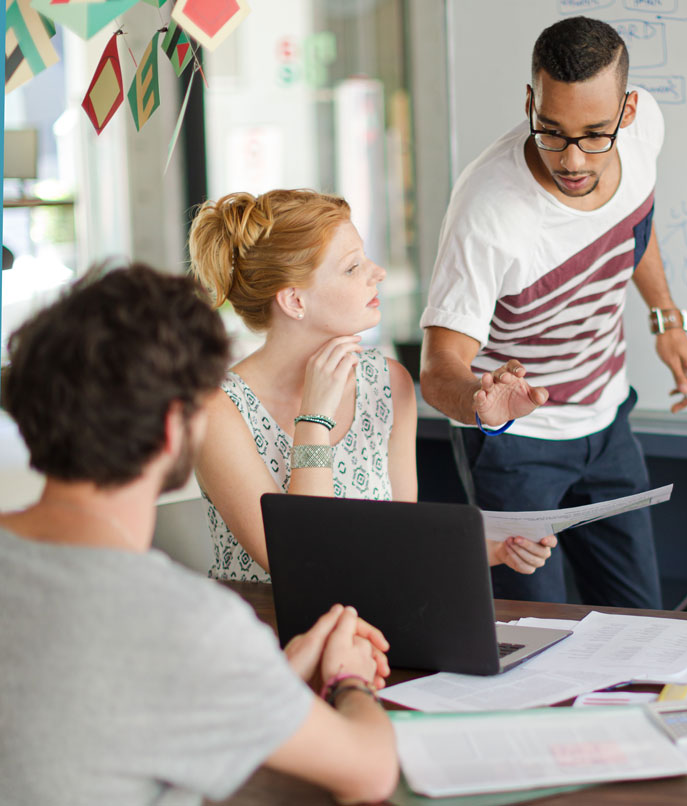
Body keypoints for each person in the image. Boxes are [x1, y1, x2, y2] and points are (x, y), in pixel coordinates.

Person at [0, 264, 398, 805]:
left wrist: (267, 682)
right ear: (173, 428)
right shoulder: (188, 626)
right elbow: (369, 771)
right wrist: (345, 680)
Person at [419, 16, 687, 607]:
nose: (573, 160)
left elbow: (635, 224)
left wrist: (666, 319)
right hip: (516, 445)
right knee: (532, 634)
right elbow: (438, 366)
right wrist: (480, 403)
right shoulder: (487, 212)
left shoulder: (644, 129)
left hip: (607, 422)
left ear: (627, 112)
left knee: (643, 624)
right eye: (551, 131)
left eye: (594, 134)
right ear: (530, 102)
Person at [189, 189, 553, 581]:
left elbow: (398, 539)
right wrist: (313, 421)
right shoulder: (215, 410)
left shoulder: (387, 382)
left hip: (372, 624)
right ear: (294, 301)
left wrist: (491, 548)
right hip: (269, 632)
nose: (377, 272)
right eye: (352, 267)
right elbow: (300, 565)